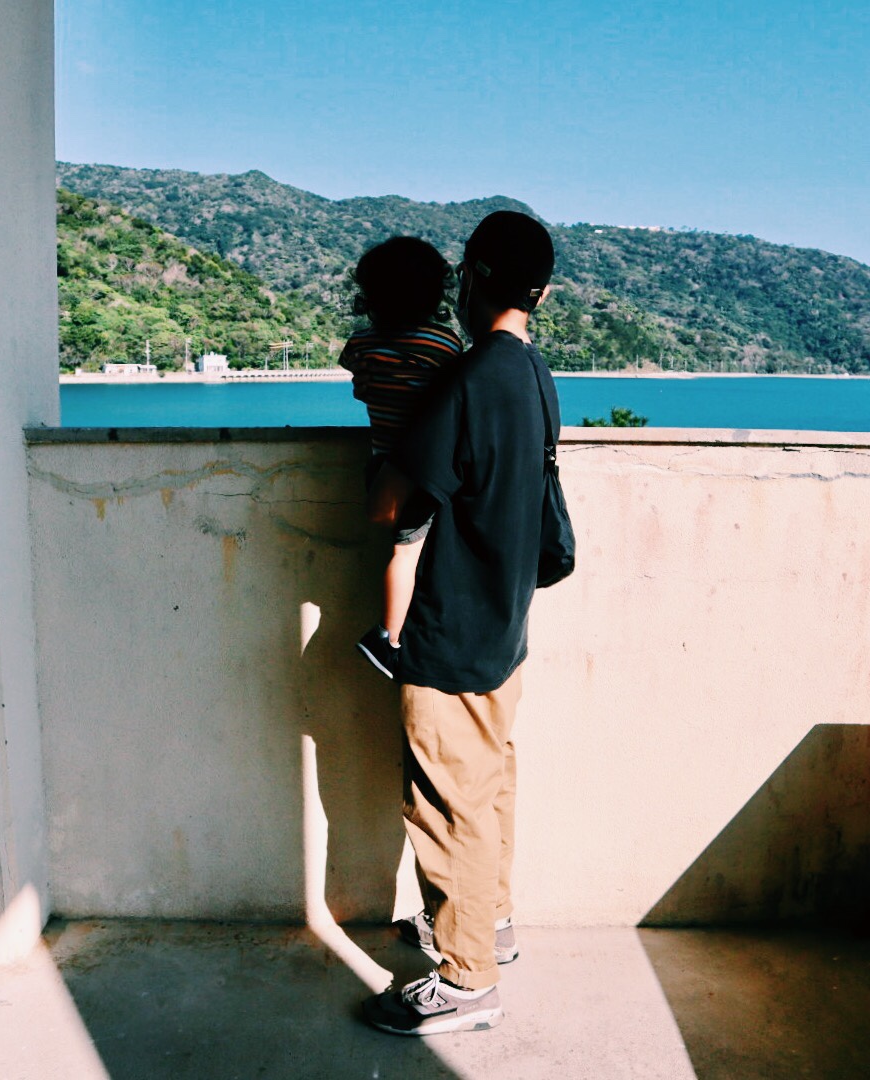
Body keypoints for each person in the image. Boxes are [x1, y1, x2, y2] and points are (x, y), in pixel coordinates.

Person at [362, 210, 560, 1036]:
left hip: (451, 630)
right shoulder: (535, 373)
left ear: (472, 274)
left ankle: (467, 979)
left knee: (448, 808)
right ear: (541, 293)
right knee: (488, 789)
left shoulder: (469, 380)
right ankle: (491, 926)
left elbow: (393, 507)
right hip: (505, 626)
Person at [335, 237, 465, 678]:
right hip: (419, 469)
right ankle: (386, 638)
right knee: (406, 553)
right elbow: (453, 400)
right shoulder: (444, 344)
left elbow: (361, 389)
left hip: (380, 466)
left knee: (404, 547)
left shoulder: (361, 344)